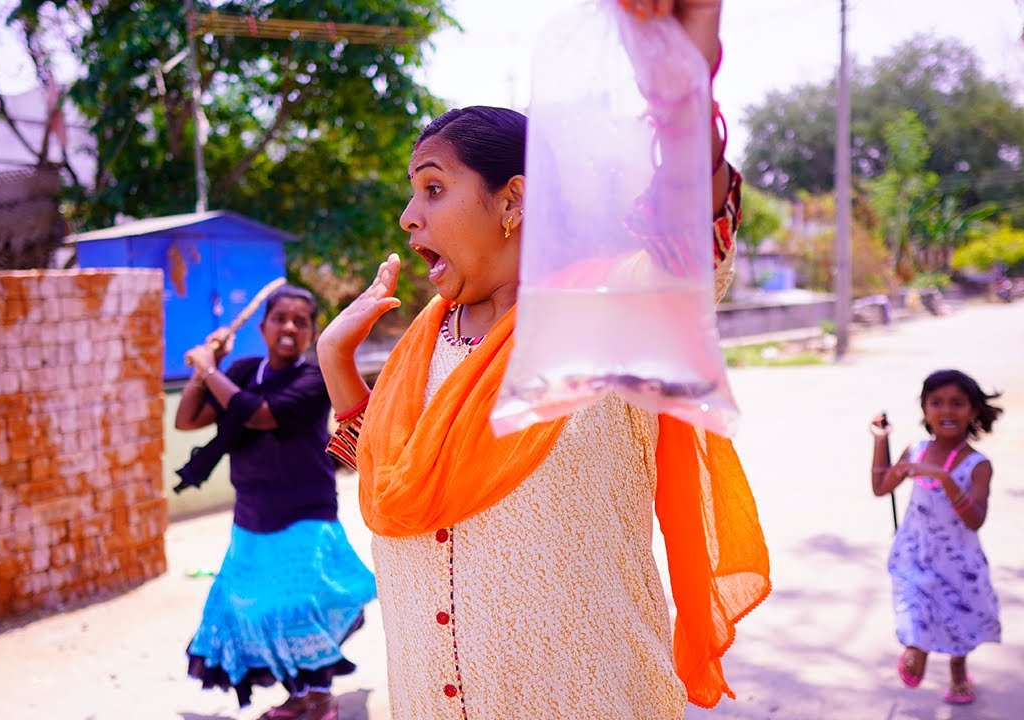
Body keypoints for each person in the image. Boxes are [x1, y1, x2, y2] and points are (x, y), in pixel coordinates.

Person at [316, 2, 769, 717]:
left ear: (514, 201)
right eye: (412, 194)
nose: (408, 216)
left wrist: (684, 108)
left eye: (433, 188)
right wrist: (336, 364)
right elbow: (400, 486)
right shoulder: (420, 345)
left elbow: (687, 249)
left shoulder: (605, 310)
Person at [174, 285, 376, 720]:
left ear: (311, 333)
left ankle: (320, 699)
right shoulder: (242, 371)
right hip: (252, 513)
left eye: (300, 322)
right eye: (280, 318)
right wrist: (207, 367)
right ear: (263, 326)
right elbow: (187, 419)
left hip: (305, 510)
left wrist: (209, 369)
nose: (289, 327)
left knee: (298, 607)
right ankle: (299, 696)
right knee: (256, 612)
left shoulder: (314, 379)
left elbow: (259, 415)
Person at [869, 369, 1004, 705]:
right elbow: (881, 487)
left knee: (958, 618)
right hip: (913, 553)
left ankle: (958, 671)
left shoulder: (978, 464)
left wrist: (944, 478)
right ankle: (917, 648)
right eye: (937, 402)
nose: (946, 410)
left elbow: (975, 520)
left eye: (957, 403)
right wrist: (880, 441)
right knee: (915, 608)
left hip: (959, 562)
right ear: (925, 410)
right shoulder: (915, 451)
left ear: (973, 411)